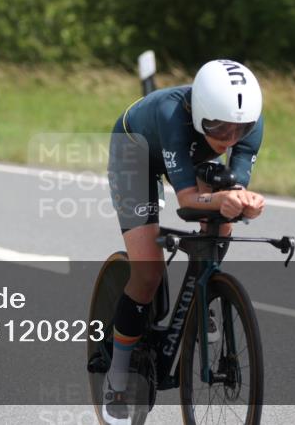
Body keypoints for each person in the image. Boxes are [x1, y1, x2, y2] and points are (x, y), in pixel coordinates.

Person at [102, 59, 265, 425]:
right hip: (135, 151)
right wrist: (223, 200)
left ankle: (201, 292)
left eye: (240, 129)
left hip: (189, 154)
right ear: (199, 114)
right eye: (219, 128)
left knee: (225, 216)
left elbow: (232, 186)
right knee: (148, 272)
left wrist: (244, 201)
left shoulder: (247, 124)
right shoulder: (171, 113)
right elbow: (188, 200)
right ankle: (117, 374)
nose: (229, 139)